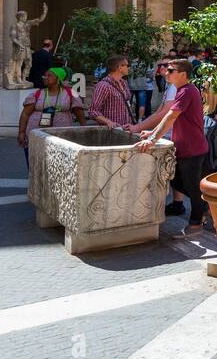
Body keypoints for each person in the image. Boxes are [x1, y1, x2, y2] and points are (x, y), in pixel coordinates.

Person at [135, 59, 210, 237]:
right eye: (165, 69)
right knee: (176, 182)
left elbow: (171, 116)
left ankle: (196, 224)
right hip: (186, 148)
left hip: (193, 149)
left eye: (170, 70)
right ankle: (205, 207)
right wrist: (151, 132)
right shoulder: (183, 90)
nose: (165, 72)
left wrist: (152, 139)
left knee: (192, 188)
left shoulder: (187, 91)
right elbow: (171, 118)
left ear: (183, 74)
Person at [17, 67, 86, 167]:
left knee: (60, 163)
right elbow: (25, 114)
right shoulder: (37, 93)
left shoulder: (70, 93)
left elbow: (79, 112)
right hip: (36, 134)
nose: (45, 77)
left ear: (58, 79)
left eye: (50, 76)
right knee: (35, 163)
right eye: (45, 75)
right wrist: (21, 132)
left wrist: (84, 128)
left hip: (62, 136)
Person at [88, 55, 134, 131]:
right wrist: (108, 122)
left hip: (125, 129)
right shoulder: (103, 85)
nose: (129, 68)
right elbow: (93, 111)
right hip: (111, 131)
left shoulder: (124, 83)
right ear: (119, 67)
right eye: (127, 65)